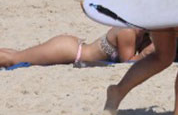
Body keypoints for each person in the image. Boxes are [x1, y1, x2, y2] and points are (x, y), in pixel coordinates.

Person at [1, 26, 148, 69]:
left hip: (72, 49)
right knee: (14, 59)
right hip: (69, 51)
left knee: (17, 55)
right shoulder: (128, 32)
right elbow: (128, 63)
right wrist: (150, 50)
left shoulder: (141, 33)